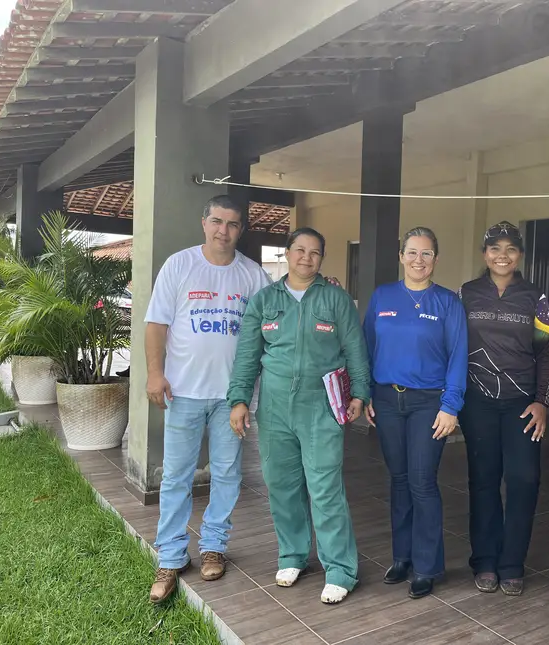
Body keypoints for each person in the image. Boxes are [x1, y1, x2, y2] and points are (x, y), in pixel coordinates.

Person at [227, 227, 370, 605]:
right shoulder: (264, 301)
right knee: (282, 484)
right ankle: (292, 555)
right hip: (274, 410)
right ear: (287, 253)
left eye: (315, 252)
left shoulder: (337, 300)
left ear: (322, 259)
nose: (307, 258)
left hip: (321, 407)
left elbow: (355, 349)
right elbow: (247, 357)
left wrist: (360, 393)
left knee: (325, 488)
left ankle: (340, 569)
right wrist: (239, 400)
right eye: (300, 250)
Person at [146, 195, 272, 604]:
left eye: (233, 224)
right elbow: (156, 323)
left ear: (241, 230)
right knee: (177, 476)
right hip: (182, 392)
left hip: (231, 398)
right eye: (217, 221)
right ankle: (171, 555)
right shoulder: (180, 265)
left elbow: (272, 327)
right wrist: (154, 372)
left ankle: (214, 544)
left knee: (227, 474)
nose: (224, 230)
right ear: (204, 223)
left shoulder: (253, 276)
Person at [362, 227, 468, 599]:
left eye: (426, 254)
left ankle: (427, 565)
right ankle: (402, 556)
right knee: (399, 479)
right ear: (401, 256)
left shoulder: (447, 303)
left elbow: (458, 357)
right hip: (388, 401)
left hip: (429, 403)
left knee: (422, 481)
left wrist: (450, 405)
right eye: (412, 253)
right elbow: (367, 348)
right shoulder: (382, 297)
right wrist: (368, 393)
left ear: (435, 260)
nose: (418, 260)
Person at [458, 221, 549, 596]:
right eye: (495, 249)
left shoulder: (535, 297)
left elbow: (547, 352)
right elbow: (453, 347)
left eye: (510, 249)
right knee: (483, 482)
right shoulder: (466, 293)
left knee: (524, 481)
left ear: (520, 255)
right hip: (477, 403)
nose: (503, 256)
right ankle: (484, 560)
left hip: (521, 406)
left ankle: (512, 562)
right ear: (485, 254)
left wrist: (542, 402)